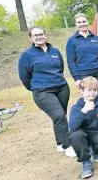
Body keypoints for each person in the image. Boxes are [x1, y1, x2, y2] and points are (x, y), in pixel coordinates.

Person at [18, 26, 76, 158]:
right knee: (59, 116)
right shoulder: (27, 56)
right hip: (42, 91)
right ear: (31, 38)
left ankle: (60, 143)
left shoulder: (55, 51)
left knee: (60, 117)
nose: (39, 37)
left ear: (45, 35)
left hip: (61, 88)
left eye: (41, 34)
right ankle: (68, 146)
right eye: (35, 35)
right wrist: (36, 87)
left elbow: (60, 67)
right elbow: (24, 77)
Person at [66, 12, 98, 97]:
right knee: (93, 97)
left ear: (87, 22)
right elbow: (71, 62)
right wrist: (76, 78)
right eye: (79, 22)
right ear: (76, 24)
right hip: (84, 74)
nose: (82, 24)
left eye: (84, 21)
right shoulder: (72, 41)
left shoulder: (96, 38)